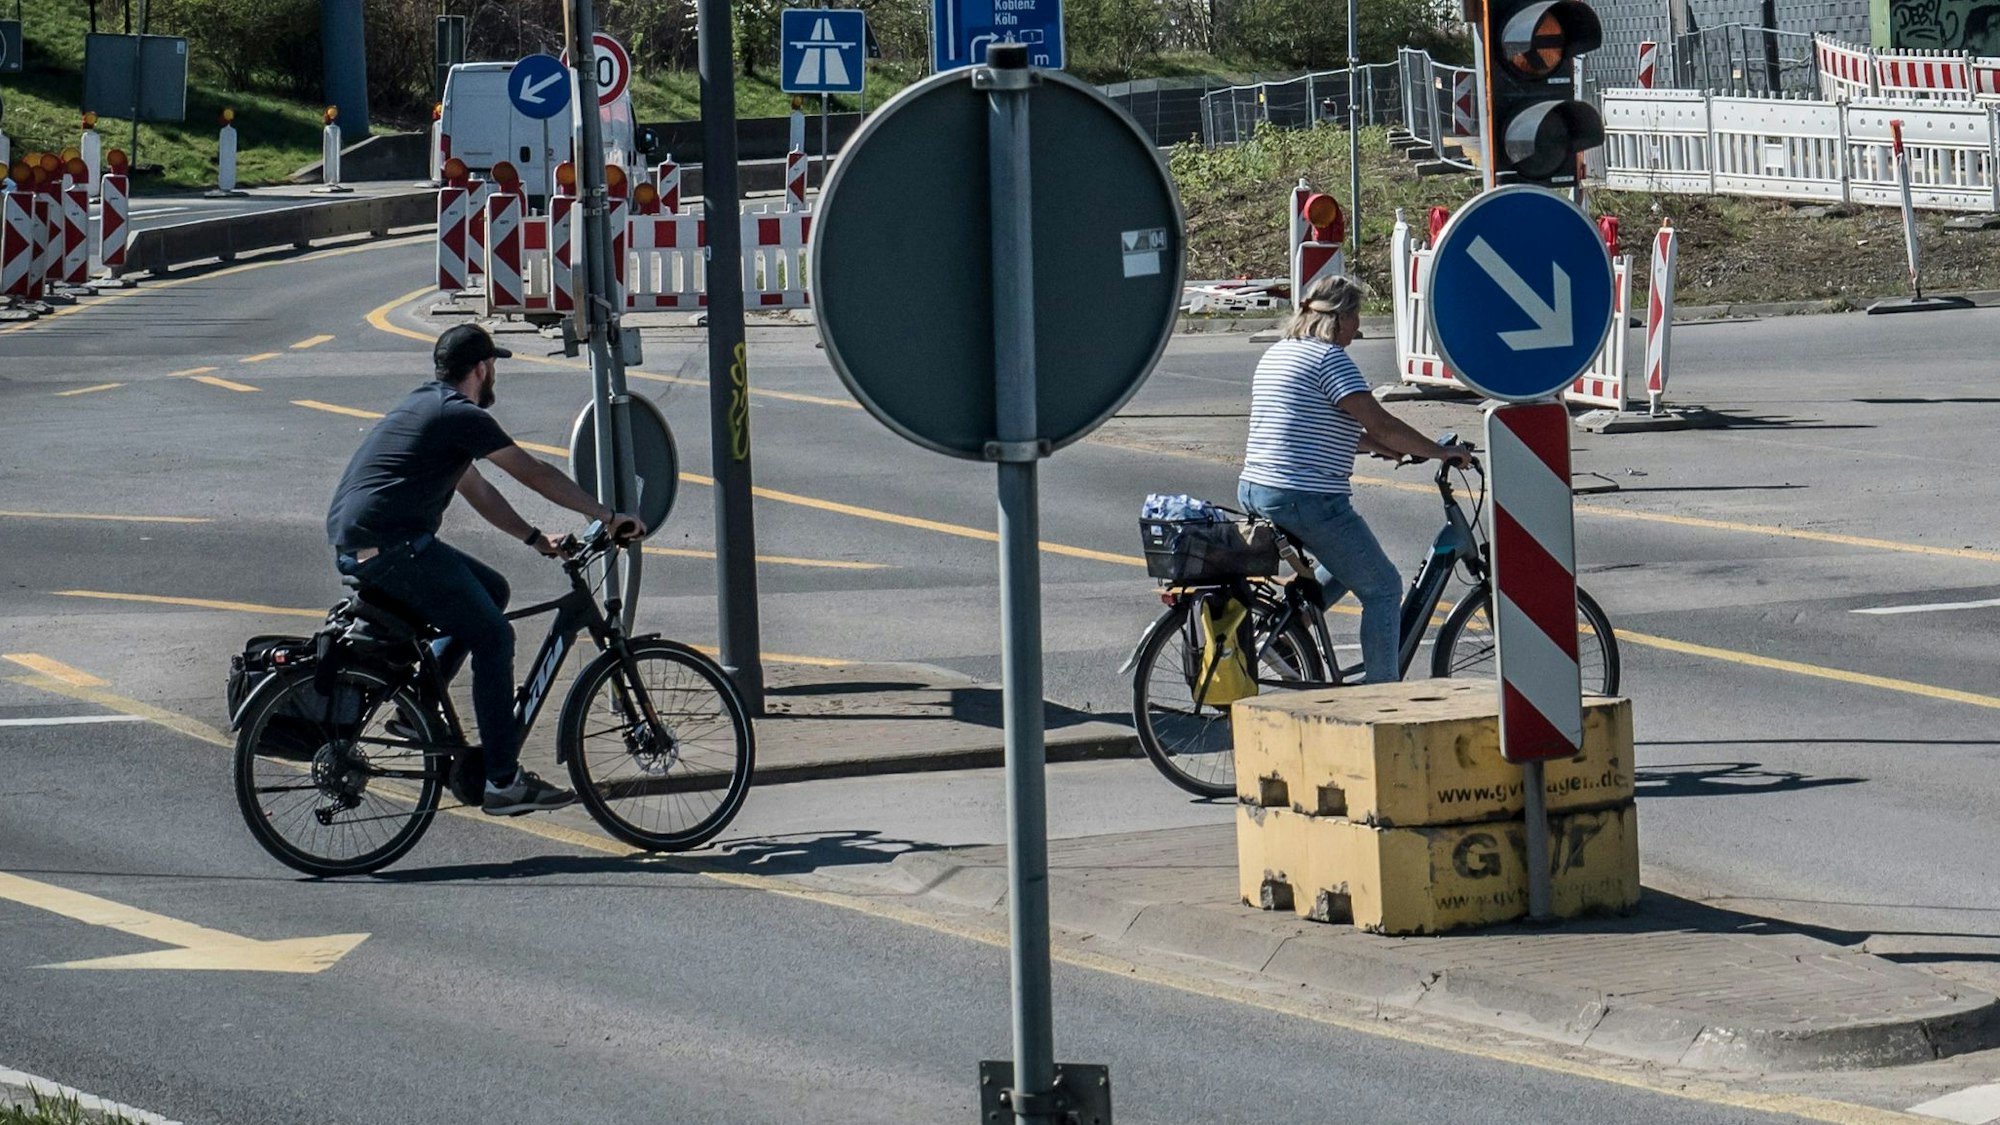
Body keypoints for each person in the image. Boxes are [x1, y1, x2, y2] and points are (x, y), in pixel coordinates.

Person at [326, 324, 646, 815]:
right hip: (392, 547)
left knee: (492, 590)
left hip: (376, 542)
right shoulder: (459, 414)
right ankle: (502, 780)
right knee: (494, 638)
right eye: (492, 366)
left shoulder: (427, 405)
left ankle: (417, 712)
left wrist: (537, 540)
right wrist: (606, 515)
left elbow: (478, 491)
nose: (492, 374)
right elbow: (532, 471)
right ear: (482, 369)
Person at [1237, 274, 1471, 685]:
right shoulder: (1329, 360)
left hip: (1259, 488)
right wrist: (1440, 451)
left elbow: (1310, 426)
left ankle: (1284, 631)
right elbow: (1380, 421)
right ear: (1338, 318)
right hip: (1304, 496)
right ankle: (1381, 696)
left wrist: (1377, 447)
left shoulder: (1280, 353)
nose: (1358, 330)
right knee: (1382, 587)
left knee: (1345, 562)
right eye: (1355, 318)